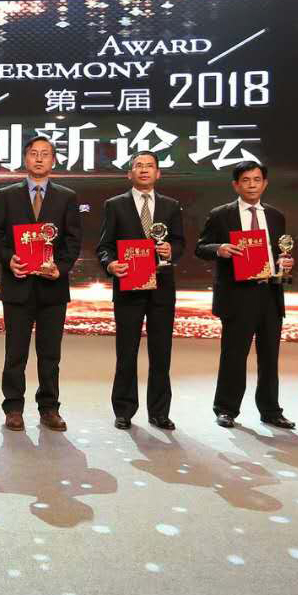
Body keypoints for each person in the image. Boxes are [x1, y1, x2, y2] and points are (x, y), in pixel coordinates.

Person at [0, 136, 82, 432]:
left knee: (50, 354)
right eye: (34, 154)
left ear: (54, 160)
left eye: (45, 154)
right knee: (15, 352)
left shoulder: (66, 197)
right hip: (18, 285)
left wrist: (60, 268)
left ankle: (49, 408)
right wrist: (9, 259)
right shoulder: (7, 195)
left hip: (53, 287)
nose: (39, 159)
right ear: (25, 159)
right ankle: (13, 408)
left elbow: (73, 240)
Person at [195, 161, 296, 430]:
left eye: (257, 179)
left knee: (270, 357)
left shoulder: (276, 216)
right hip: (237, 295)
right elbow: (200, 247)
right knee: (234, 356)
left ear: (265, 183)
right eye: (246, 180)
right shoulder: (221, 215)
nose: (252, 185)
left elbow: (280, 251)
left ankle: (271, 411)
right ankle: (226, 409)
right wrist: (219, 249)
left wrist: (285, 262)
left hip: (269, 294)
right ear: (236, 185)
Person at [96, 151, 186, 431]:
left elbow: (180, 242)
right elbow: (104, 246)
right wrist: (110, 264)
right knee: (127, 352)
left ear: (158, 173)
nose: (144, 170)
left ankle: (159, 412)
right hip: (128, 287)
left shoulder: (171, 206)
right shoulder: (115, 205)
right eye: (138, 166)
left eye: (150, 166)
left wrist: (172, 250)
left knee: (161, 353)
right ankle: (124, 410)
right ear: (129, 173)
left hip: (162, 289)